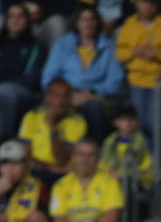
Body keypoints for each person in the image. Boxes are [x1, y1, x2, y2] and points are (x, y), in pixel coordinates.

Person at [41, 6, 124, 139]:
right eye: (83, 20)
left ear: (98, 23)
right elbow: (49, 76)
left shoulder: (110, 47)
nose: (88, 24)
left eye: (92, 19)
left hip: (97, 95)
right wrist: (67, 95)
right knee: (45, 107)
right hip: (65, 93)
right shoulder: (63, 44)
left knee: (92, 107)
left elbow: (114, 81)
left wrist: (91, 92)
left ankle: (94, 149)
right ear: (76, 23)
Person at [0, 2, 45, 140]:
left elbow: (32, 76)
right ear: (6, 20)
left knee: (5, 92)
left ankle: (6, 140)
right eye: (11, 16)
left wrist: (1, 86)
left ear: (28, 21)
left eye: (20, 16)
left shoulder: (36, 47)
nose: (15, 20)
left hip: (24, 91)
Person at [115, 0, 161, 138]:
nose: (146, 7)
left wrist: (157, 54)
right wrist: (135, 51)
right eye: (142, 3)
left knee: (155, 123)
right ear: (136, 5)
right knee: (138, 123)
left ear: (156, 6)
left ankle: (156, 155)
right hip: (136, 81)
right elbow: (120, 54)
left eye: (150, 3)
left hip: (158, 81)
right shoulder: (128, 26)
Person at [18, 78, 88, 183]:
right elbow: (24, 153)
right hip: (36, 169)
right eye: (56, 95)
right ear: (47, 97)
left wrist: (52, 127)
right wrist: (47, 167)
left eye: (65, 96)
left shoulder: (77, 122)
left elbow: (62, 160)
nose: (60, 101)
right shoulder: (32, 116)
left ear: (70, 99)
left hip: (63, 173)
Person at [99, 104, 154, 191]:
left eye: (131, 119)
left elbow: (147, 170)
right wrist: (109, 171)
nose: (128, 122)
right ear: (115, 122)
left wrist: (125, 174)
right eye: (123, 119)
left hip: (136, 185)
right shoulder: (110, 142)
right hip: (112, 181)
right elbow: (102, 164)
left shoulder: (143, 141)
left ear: (137, 122)